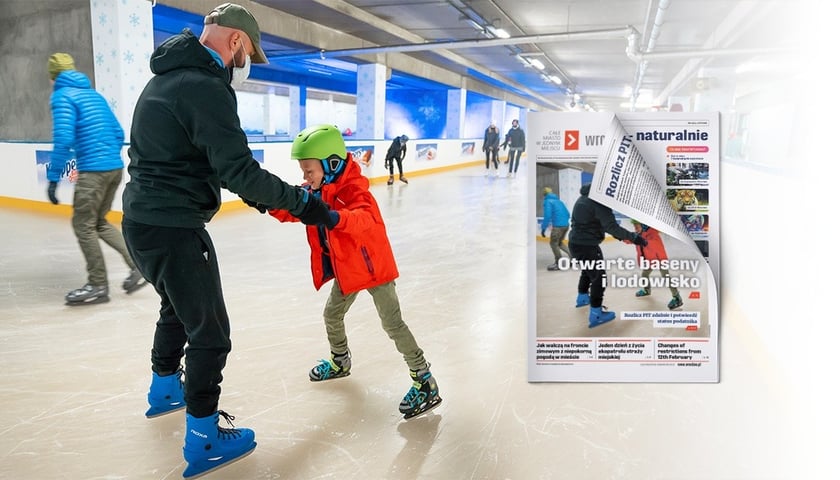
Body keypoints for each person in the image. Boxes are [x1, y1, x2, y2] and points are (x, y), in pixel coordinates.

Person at [120, 4, 333, 478]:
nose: (246, 63)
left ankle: (164, 389)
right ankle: (203, 440)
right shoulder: (203, 87)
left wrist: (269, 201)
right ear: (236, 42)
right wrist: (305, 205)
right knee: (211, 334)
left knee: (177, 308)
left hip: (141, 222)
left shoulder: (168, 77)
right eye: (249, 53)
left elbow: (212, 164)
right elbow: (239, 172)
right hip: (174, 227)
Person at [264, 124, 443, 420]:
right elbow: (294, 210)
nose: (304, 177)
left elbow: (364, 219)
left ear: (331, 165)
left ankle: (425, 380)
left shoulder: (355, 191)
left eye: (308, 171)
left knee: (392, 324)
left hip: (375, 269)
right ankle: (340, 361)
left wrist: (332, 216)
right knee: (332, 315)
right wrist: (267, 203)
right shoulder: (318, 190)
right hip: (349, 269)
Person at [45, 52, 146, 306]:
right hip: (114, 168)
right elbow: (117, 131)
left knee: (83, 225)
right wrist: (106, 157)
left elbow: (64, 139)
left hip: (94, 171)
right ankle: (138, 266)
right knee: (98, 222)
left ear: (53, 76)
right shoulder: (93, 94)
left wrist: (53, 178)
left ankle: (97, 285)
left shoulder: (61, 96)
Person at [568, 183, 647, 328]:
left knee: (587, 271)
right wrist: (635, 238)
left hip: (575, 243)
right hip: (587, 246)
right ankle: (596, 314)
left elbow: (597, 224)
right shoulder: (598, 203)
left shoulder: (583, 198)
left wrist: (621, 237)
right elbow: (611, 227)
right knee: (599, 278)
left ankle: (582, 298)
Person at [628, 220, 683, 310]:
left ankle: (677, 297)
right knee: (644, 275)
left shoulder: (653, 234)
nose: (635, 228)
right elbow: (630, 239)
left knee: (666, 277)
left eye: (637, 226)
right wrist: (620, 236)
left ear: (644, 225)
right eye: (634, 226)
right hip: (650, 260)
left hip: (660, 259)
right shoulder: (639, 235)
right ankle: (646, 290)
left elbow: (653, 244)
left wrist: (643, 241)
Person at [540, 187, 570, 270]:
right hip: (566, 225)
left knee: (553, 243)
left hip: (558, 226)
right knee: (559, 242)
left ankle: (559, 263)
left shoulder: (547, 201)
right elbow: (568, 214)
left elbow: (547, 216)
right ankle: (573, 258)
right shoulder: (559, 201)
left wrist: (543, 229)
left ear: (544, 194)